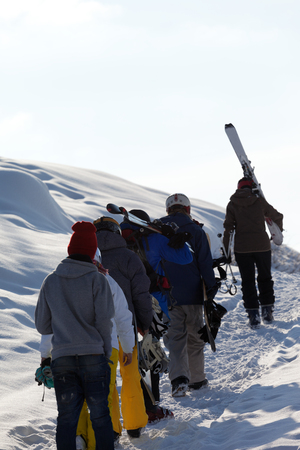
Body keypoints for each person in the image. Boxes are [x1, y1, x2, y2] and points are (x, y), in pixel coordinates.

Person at [35, 221, 115, 450]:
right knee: (100, 417)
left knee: (67, 419)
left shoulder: (50, 281)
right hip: (94, 356)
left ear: (70, 249)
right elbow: (104, 322)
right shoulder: (98, 280)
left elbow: (42, 325)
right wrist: (105, 354)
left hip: (62, 359)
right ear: (92, 252)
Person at [120, 209, 193, 419]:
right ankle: (152, 405)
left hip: (121, 303)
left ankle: (136, 403)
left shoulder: (116, 240)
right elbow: (186, 258)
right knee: (152, 350)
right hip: (153, 301)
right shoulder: (155, 238)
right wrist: (173, 238)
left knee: (130, 353)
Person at [93, 216, 153, 439]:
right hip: (127, 327)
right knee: (130, 376)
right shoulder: (129, 257)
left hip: (100, 333)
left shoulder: (89, 259)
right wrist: (144, 324)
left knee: (106, 381)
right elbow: (141, 294)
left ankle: (111, 428)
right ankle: (135, 424)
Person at [159, 193, 218, 397]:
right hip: (193, 294)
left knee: (175, 339)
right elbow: (205, 263)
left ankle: (178, 381)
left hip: (167, 295)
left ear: (168, 210)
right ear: (187, 209)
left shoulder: (155, 230)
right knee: (195, 337)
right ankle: (197, 379)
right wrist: (210, 288)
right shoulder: (195, 230)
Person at [223, 177, 283, 328]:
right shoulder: (259, 201)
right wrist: (276, 233)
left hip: (242, 248)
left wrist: (226, 252)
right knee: (265, 277)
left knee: (247, 281)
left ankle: (253, 316)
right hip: (262, 246)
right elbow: (277, 216)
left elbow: (228, 229)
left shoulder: (232, 204)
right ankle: (267, 312)